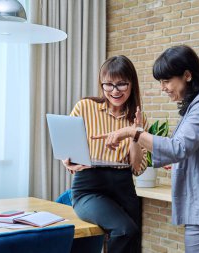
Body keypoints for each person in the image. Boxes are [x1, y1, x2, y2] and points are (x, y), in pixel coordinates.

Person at [93, 45, 199, 253]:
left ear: (187, 75)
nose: (162, 88)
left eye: (166, 81)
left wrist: (133, 133)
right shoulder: (196, 104)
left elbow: (177, 148)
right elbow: (176, 150)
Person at [62, 55, 148, 253]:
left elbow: (137, 168)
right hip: (89, 187)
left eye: (121, 85)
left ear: (132, 84)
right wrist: (67, 160)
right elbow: (66, 147)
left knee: (132, 240)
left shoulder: (138, 118)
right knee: (124, 230)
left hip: (123, 186)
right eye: (108, 85)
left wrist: (135, 133)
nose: (114, 91)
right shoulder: (85, 107)